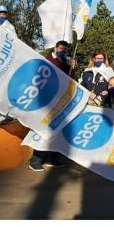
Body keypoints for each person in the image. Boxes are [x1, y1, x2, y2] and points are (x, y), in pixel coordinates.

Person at [29, 40, 76, 171]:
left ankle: (51, 157)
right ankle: (36, 159)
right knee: (44, 130)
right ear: (55, 48)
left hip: (59, 100)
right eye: (61, 49)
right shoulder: (48, 60)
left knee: (57, 130)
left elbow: (69, 79)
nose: (63, 51)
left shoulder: (63, 62)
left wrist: (72, 67)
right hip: (47, 102)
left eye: (65, 50)